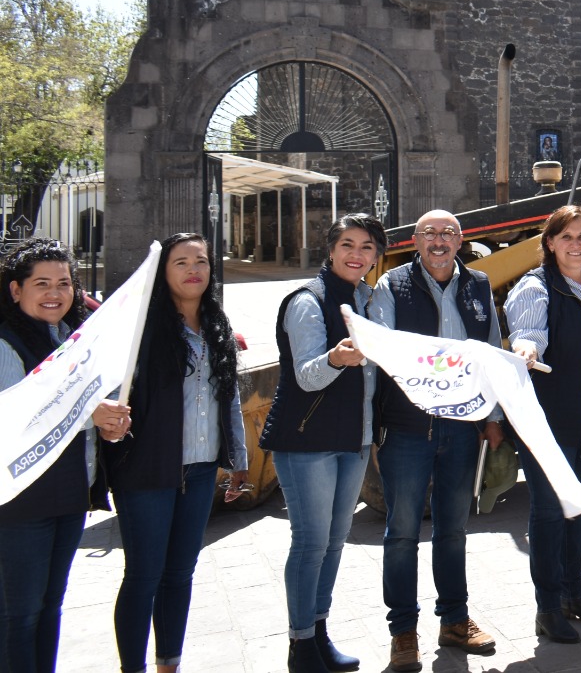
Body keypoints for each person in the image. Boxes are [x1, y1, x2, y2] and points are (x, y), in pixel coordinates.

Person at [105, 233, 248, 673]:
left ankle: (169, 663)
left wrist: (238, 459)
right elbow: (110, 389)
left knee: (180, 573)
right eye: (181, 262)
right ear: (162, 272)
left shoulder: (216, 325)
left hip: (201, 470)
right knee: (144, 576)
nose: (193, 270)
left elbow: (229, 395)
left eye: (201, 261)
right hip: (146, 469)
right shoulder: (141, 329)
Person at [368, 211, 499, 670]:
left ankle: (455, 620)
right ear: (415, 240)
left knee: (454, 530)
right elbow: (382, 350)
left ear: (461, 241)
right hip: (408, 428)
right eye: (429, 233)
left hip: (461, 428)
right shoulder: (392, 285)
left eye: (448, 233)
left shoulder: (478, 285)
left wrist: (493, 418)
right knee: (402, 532)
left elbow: (491, 353)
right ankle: (403, 631)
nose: (439, 241)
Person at [258, 213, 388, 673]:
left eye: (367, 247)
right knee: (311, 542)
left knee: (334, 542)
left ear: (377, 256)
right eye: (348, 244)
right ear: (330, 250)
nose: (357, 254)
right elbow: (306, 376)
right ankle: (301, 645)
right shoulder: (307, 301)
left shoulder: (369, 299)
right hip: (307, 439)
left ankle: (318, 631)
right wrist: (335, 358)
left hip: (354, 438)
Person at [0, 239, 127, 673]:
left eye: (64, 283)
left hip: (69, 496)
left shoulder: (72, 341)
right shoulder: (7, 344)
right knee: (19, 615)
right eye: (42, 284)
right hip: (21, 505)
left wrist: (109, 426)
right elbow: (14, 419)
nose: (55, 293)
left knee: (50, 606)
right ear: (16, 290)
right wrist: (91, 414)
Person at [503, 205, 581, 645]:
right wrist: (527, 350)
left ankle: (576, 594)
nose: (576, 244)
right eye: (567, 236)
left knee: (578, 509)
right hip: (553, 420)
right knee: (550, 513)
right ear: (550, 242)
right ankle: (549, 607)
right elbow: (529, 333)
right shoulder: (535, 287)